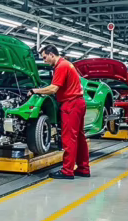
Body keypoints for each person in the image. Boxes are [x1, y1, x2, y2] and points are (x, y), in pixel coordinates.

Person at [30, 45, 89, 180]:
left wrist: (35, 91)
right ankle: (83, 168)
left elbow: (53, 89)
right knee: (79, 138)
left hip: (71, 104)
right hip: (78, 103)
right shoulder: (67, 64)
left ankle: (67, 171)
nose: (44, 60)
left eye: (45, 57)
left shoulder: (61, 66)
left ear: (52, 54)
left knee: (69, 139)